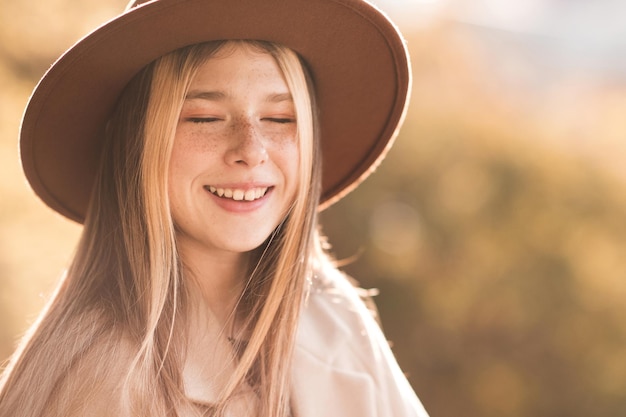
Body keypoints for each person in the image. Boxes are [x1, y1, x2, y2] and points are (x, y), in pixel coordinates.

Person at [0, 0, 428, 416]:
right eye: (204, 118)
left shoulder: (334, 318)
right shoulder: (97, 382)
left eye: (281, 119)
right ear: (137, 143)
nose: (252, 150)